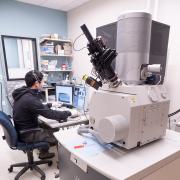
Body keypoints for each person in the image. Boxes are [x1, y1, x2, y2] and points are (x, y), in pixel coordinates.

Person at [12, 70, 72, 159]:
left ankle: (43, 153)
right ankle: (63, 165)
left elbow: (36, 107)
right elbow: (49, 114)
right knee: (59, 135)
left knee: (49, 126)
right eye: (43, 81)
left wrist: (50, 104)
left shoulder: (23, 93)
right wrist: (68, 113)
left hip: (22, 129)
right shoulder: (30, 99)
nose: (44, 83)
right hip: (28, 134)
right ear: (36, 83)